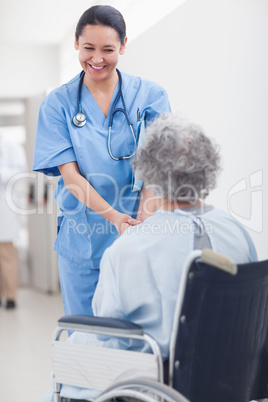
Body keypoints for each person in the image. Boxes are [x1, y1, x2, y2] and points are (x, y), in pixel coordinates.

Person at [44, 112, 257, 402]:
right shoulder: (236, 231)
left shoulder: (130, 247)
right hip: (230, 374)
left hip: (157, 378)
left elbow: (109, 330)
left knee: (64, 362)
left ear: (148, 173)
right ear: (208, 168)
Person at [33, 5, 171, 317]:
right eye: (88, 48)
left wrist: (141, 228)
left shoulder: (150, 96)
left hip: (138, 231)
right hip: (84, 240)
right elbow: (71, 178)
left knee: (134, 336)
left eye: (108, 49)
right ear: (76, 44)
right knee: (86, 337)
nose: (97, 59)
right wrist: (114, 218)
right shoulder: (58, 104)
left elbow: (157, 172)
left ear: (123, 45)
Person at [0, 134, 27, 309]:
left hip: (5, 209)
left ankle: (10, 296)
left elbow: (19, 174)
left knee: (6, 253)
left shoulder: (11, 145)